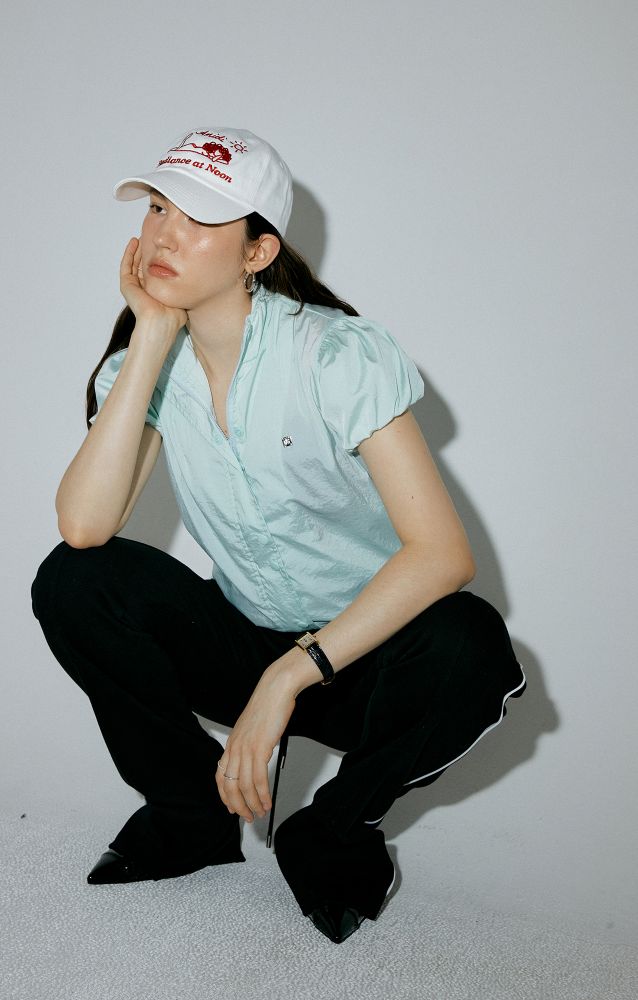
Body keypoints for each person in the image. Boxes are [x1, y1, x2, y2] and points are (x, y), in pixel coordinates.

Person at [30, 126, 525, 944]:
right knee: (74, 580)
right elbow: (84, 526)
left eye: (198, 218)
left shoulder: (334, 356)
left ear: (257, 253)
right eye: (157, 209)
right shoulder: (145, 369)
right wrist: (150, 334)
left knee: (471, 644)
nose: (163, 235)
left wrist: (287, 678)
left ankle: (332, 832)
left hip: (368, 659)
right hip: (243, 638)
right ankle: (190, 814)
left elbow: (444, 555)